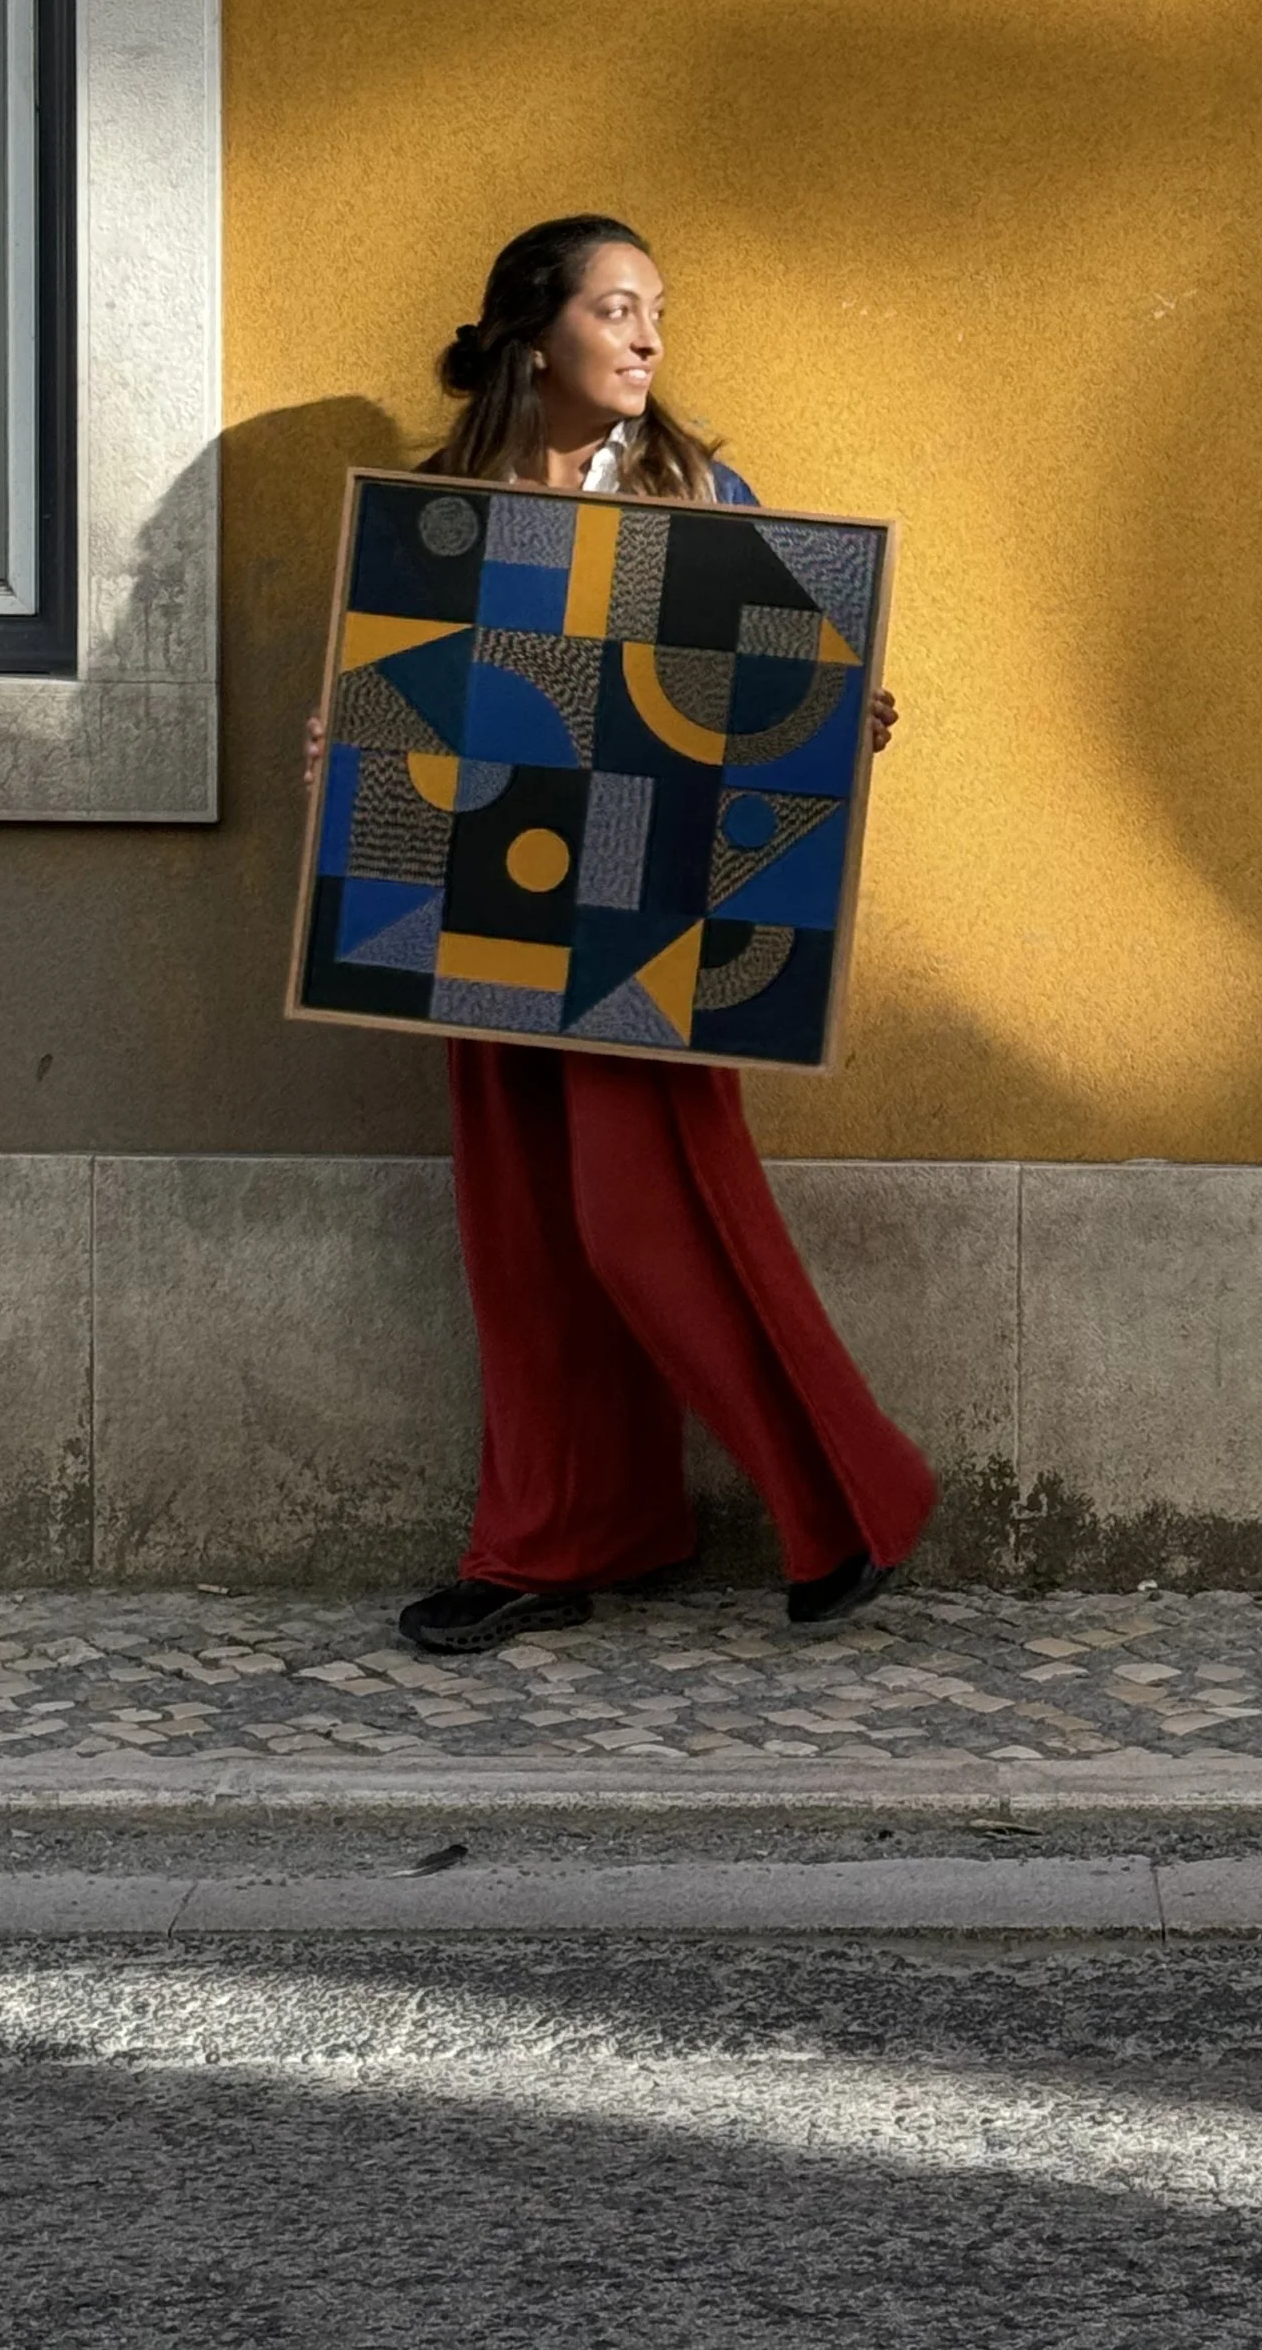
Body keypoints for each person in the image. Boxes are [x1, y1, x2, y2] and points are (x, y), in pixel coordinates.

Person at [308, 214, 937, 1655]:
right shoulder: (436, 512)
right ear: (540, 337)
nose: (650, 336)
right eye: (619, 308)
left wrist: (841, 721)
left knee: (646, 1224)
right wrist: (353, 764)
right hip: (476, 913)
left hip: (648, 917)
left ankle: (850, 1501)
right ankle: (551, 1544)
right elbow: (412, 729)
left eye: (658, 309)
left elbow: (755, 712)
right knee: (523, 1240)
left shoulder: (702, 493)